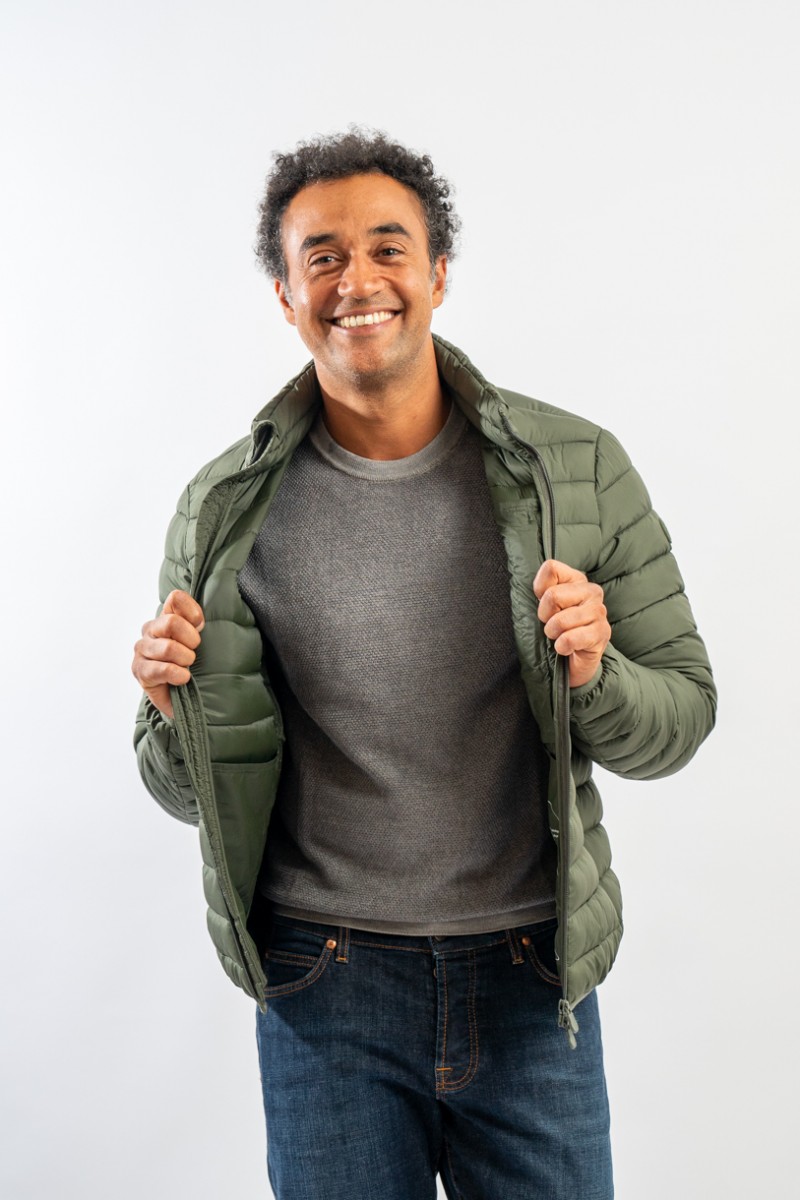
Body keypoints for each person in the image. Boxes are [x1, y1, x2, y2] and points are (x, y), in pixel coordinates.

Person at [132, 129, 715, 1200]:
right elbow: (179, 792)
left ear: (438, 273)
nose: (357, 281)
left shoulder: (575, 470)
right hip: (324, 985)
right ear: (284, 295)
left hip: (533, 979)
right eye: (322, 257)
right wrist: (176, 709)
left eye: (387, 249)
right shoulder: (222, 509)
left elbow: (679, 719)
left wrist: (595, 673)